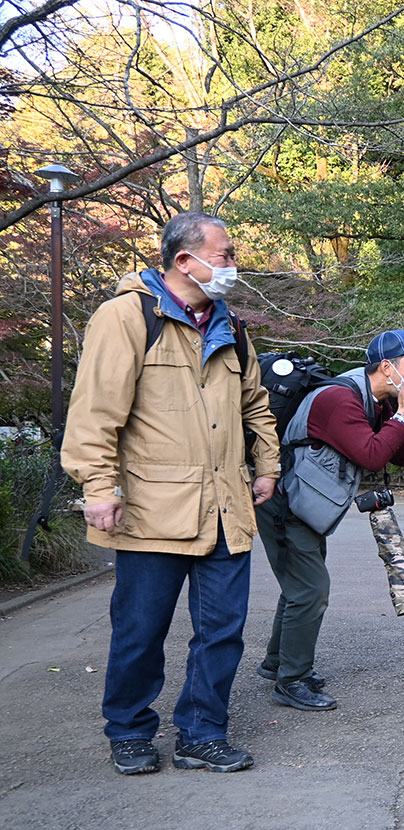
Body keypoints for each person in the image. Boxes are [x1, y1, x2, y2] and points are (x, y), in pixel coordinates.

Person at [61, 211, 279, 775]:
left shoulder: (232, 325)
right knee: (140, 630)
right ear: (186, 260)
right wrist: (97, 485)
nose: (233, 264)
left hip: (226, 508)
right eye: (225, 254)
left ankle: (201, 734)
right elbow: (95, 412)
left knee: (222, 633)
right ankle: (129, 730)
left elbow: (255, 404)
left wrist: (267, 466)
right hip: (152, 507)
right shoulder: (126, 317)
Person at [254, 330, 404, 711]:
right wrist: (403, 413)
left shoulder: (375, 401)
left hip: (305, 503)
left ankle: (278, 662)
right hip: (285, 503)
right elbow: (372, 456)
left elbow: (398, 457)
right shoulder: (340, 398)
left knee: (300, 585)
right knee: (311, 589)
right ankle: (292, 680)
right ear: (387, 368)